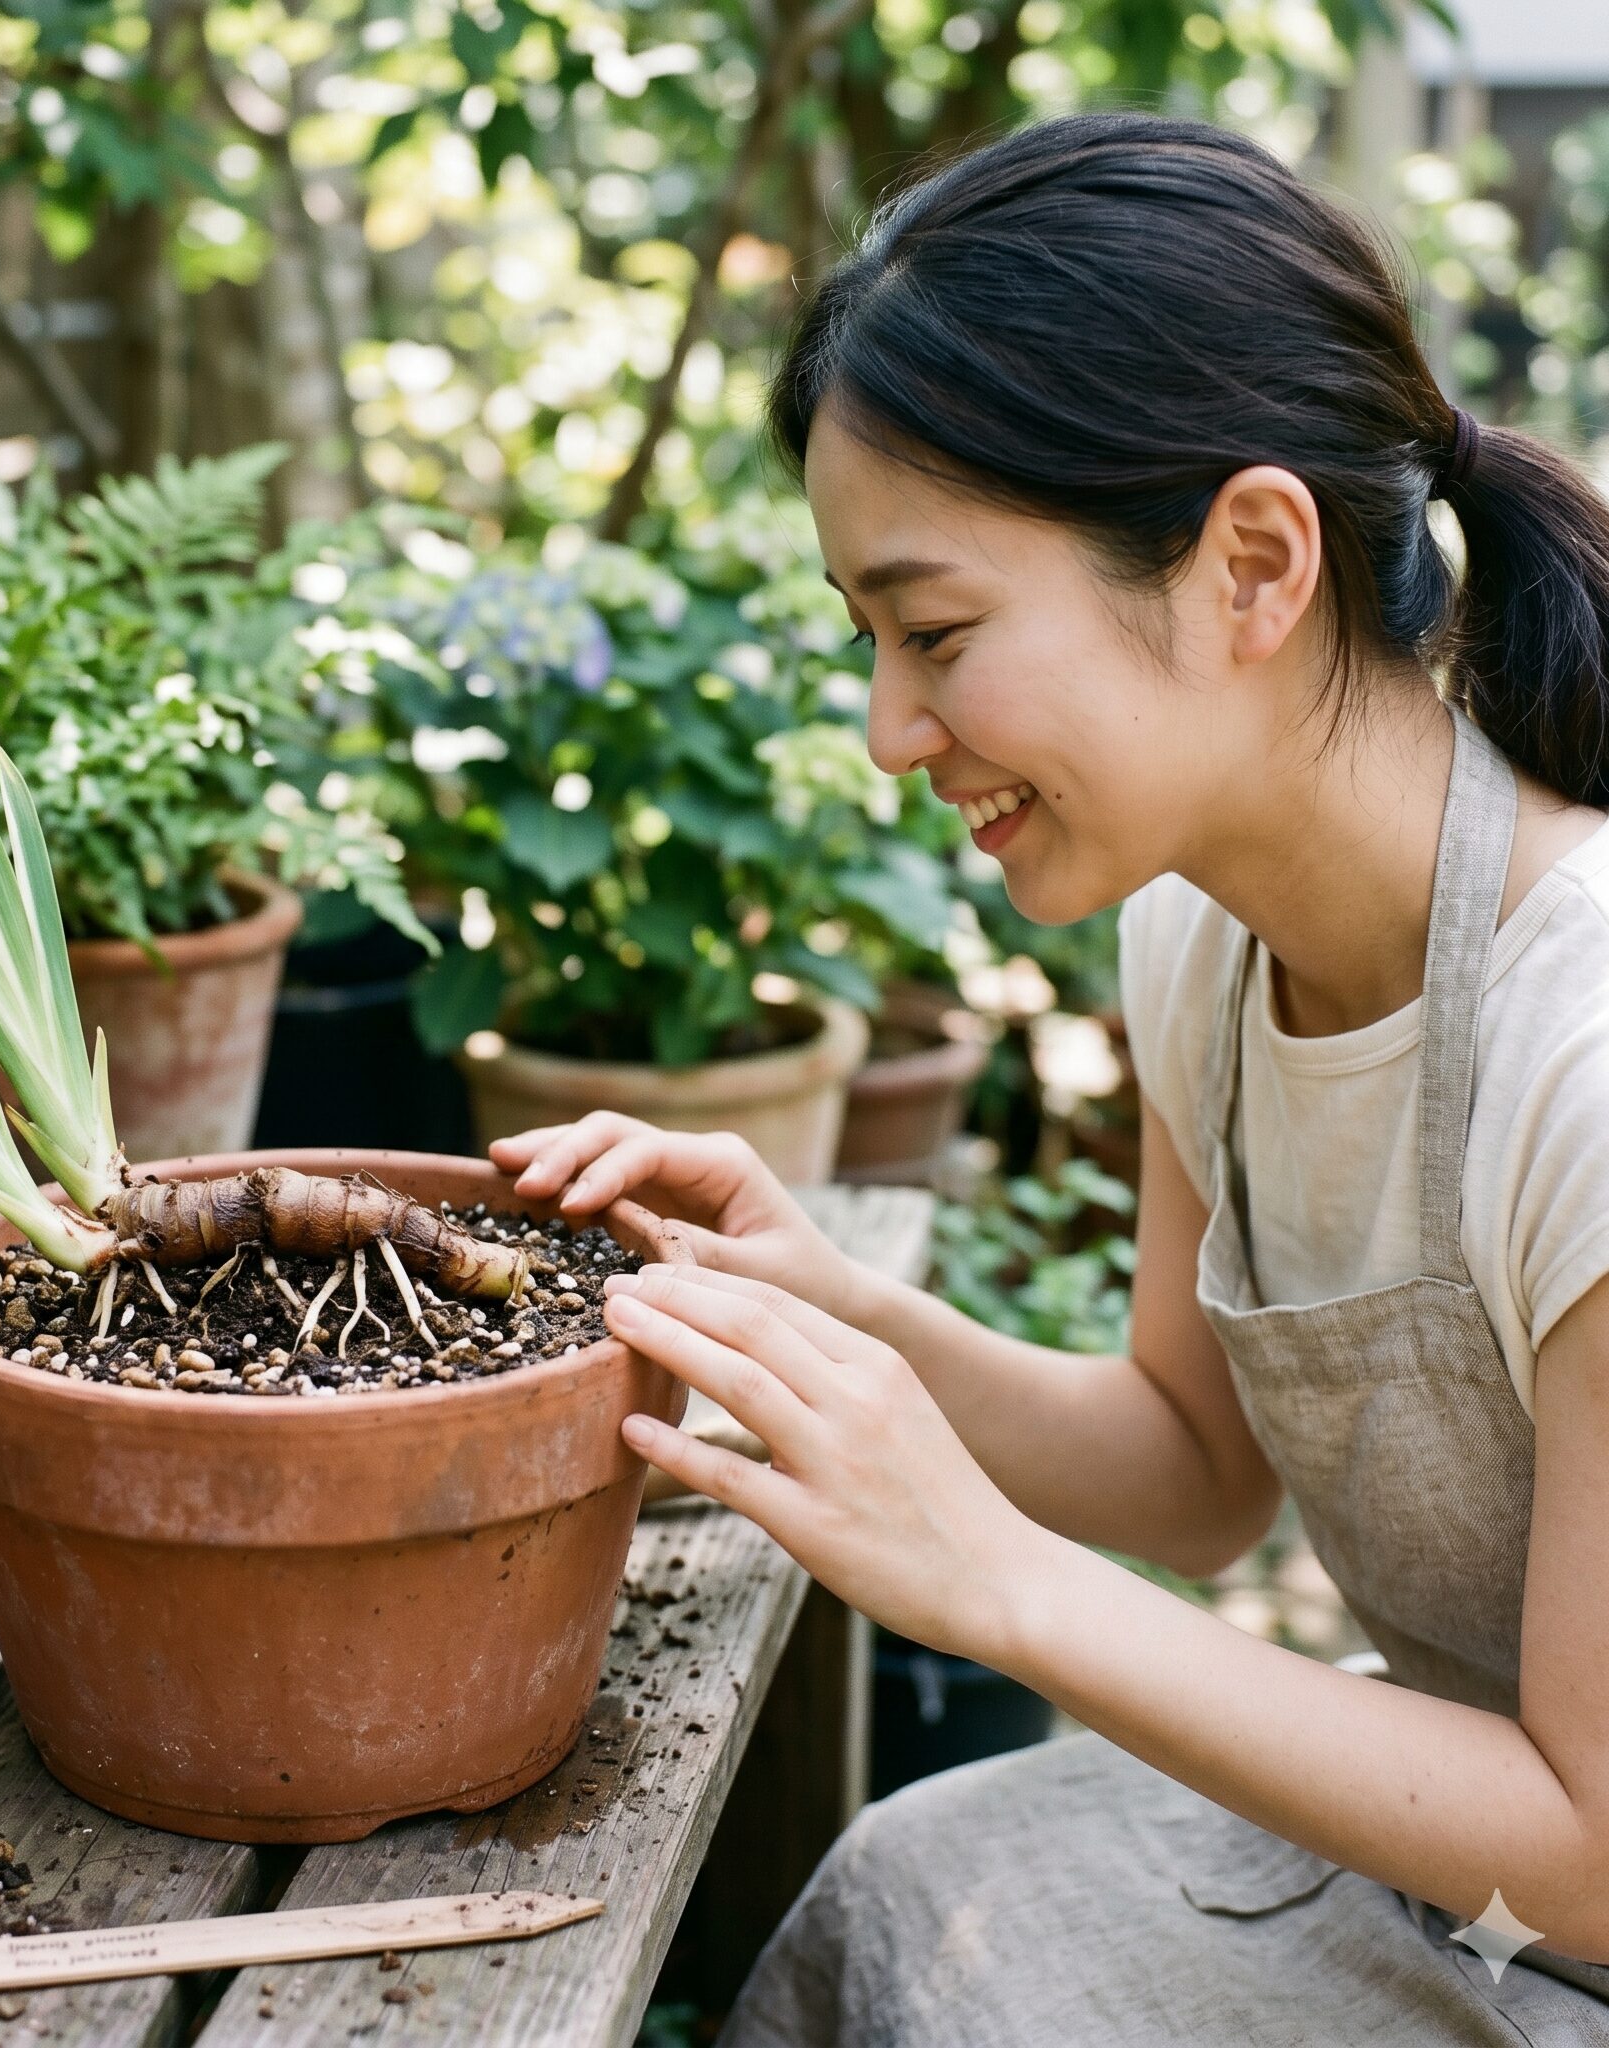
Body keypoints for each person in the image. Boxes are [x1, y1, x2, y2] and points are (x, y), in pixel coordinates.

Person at [492, 113, 1609, 2044]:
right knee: (907, 1892)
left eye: (934, 632)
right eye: (870, 642)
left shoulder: (1582, 1044)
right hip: (1466, 1891)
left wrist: (995, 1582)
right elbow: (1188, 1471)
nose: (884, 731)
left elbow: (1599, 1845)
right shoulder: (1198, 939)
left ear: (1253, 562)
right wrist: (827, 1305)